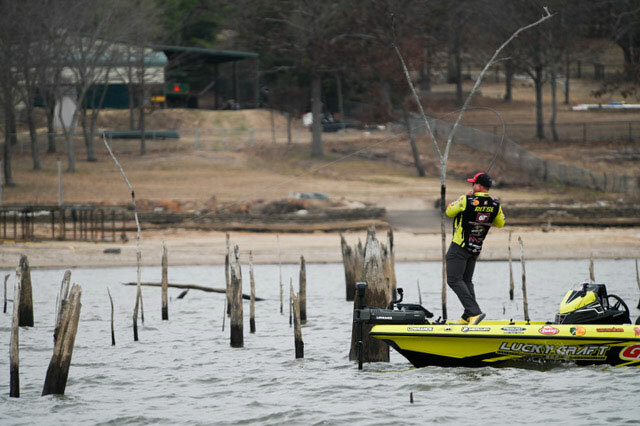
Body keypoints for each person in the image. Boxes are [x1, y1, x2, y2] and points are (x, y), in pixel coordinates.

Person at [445, 172, 505, 325]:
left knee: (453, 280)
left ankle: (474, 312)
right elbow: (500, 223)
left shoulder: (466, 199)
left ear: (478, 186)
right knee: (466, 280)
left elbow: (449, 211)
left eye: (473, 184)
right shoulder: (495, 203)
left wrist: (463, 198)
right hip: (475, 247)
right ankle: (468, 316)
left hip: (459, 246)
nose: (472, 186)